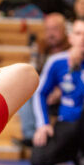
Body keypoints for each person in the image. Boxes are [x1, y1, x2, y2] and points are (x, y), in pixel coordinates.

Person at [32, 17, 84, 165]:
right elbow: (40, 93)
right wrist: (43, 124)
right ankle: (76, 154)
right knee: (38, 159)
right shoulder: (56, 61)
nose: (83, 39)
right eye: (78, 33)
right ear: (71, 38)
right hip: (68, 122)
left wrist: (78, 69)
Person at [16, 12, 71, 147]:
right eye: (48, 29)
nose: (51, 34)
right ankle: (31, 137)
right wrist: (45, 90)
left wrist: (60, 91)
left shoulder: (73, 48)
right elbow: (32, 73)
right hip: (44, 90)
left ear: (64, 29)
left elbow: (76, 76)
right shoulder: (40, 47)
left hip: (68, 92)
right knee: (23, 91)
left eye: (55, 29)